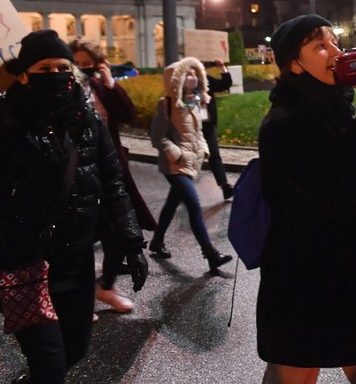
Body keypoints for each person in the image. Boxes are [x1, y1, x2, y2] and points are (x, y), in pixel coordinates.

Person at [0, 29, 148, 384]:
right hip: (23, 263)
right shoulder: (0, 120)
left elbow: (113, 182)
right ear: (24, 75)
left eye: (63, 67)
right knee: (49, 363)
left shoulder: (86, 118)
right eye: (45, 68)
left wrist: (132, 242)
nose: (56, 74)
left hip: (76, 258)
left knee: (75, 348)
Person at [257, 15, 356, 384]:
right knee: (293, 372)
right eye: (319, 45)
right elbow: (339, 196)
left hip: (354, 280)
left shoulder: (335, 108)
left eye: (334, 41)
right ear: (294, 65)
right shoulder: (284, 124)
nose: (335, 52)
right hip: (306, 283)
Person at [70, 38, 157, 314]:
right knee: (80, 240)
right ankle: (80, 300)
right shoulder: (64, 89)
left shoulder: (99, 87)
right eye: (77, 63)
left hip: (108, 168)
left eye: (87, 64)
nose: (82, 68)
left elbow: (128, 114)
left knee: (118, 234)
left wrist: (110, 83)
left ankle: (105, 286)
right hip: (76, 174)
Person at [147, 56, 232, 273]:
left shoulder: (195, 101)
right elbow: (157, 137)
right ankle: (211, 254)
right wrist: (178, 155)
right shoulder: (166, 104)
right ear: (176, 79)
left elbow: (198, 132)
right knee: (194, 205)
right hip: (174, 164)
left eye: (195, 74)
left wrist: (202, 150)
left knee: (172, 203)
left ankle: (157, 241)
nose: (192, 78)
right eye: (188, 74)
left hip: (191, 162)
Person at [202, 59, 235, 200]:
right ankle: (182, 188)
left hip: (207, 124)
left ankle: (224, 185)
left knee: (214, 154)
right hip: (190, 126)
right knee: (190, 158)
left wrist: (222, 67)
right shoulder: (184, 82)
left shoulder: (206, 80)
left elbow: (225, 84)